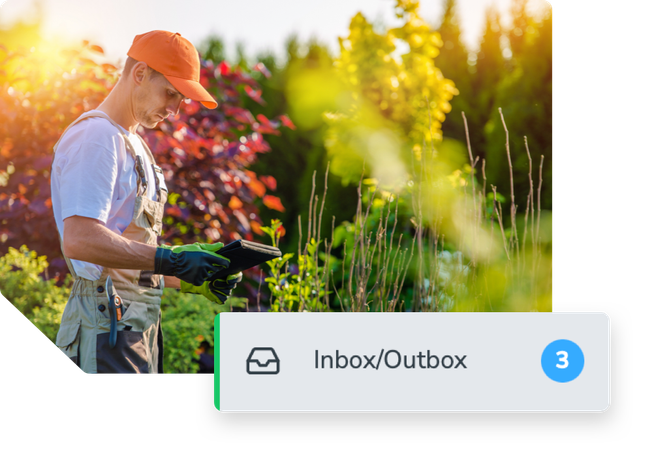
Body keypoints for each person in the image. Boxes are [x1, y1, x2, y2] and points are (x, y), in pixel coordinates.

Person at [50, 30, 240, 375]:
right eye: (171, 93)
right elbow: (79, 239)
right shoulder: (97, 138)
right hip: (104, 326)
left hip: (135, 326)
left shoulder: (134, 145)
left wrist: (188, 277)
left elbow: (125, 260)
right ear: (139, 74)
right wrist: (171, 260)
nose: (175, 110)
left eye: (182, 100)